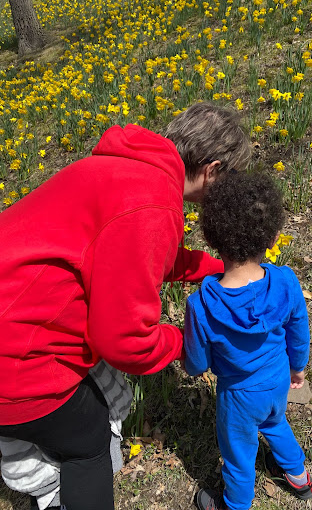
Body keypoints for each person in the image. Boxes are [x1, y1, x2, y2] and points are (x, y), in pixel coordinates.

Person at [0, 102, 251, 510]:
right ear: (212, 170)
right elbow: (125, 343)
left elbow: (146, 254)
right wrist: (188, 338)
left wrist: (222, 267)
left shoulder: (123, 171)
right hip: (14, 357)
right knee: (87, 439)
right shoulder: (151, 204)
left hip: (11, 313)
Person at [184, 172, 312, 510]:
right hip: (277, 380)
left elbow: (196, 363)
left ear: (212, 240)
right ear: (272, 238)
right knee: (275, 423)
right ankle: (298, 477)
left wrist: (198, 360)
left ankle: (235, 503)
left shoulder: (202, 305)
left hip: (238, 396)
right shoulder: (286, 281)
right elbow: (299, 330)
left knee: (238, 451)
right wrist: (297, 369)